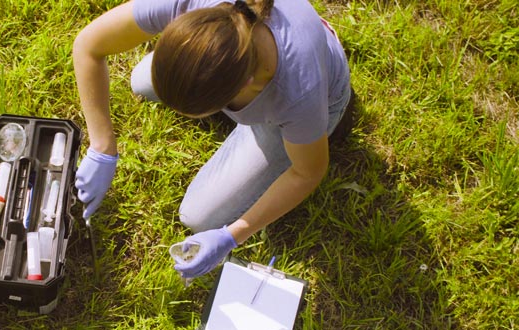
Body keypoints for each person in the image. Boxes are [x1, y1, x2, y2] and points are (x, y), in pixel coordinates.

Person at [73, 0, 353, 279]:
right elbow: (88, 46)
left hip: (313, 102)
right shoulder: (188, 3)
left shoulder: (297, 93)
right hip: (253, 75)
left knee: (198, 217)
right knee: (142, 81)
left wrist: (232, 236)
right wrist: (102, 147)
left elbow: (308, 172)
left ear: (241, 89)